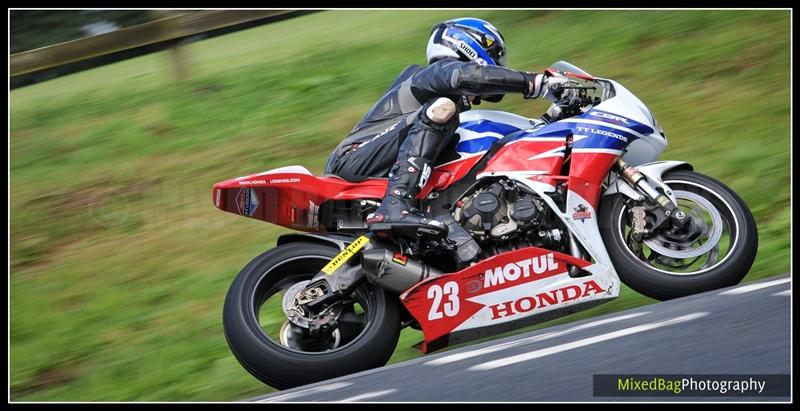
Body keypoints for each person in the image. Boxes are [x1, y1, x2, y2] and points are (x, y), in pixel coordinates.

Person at [324, 17, 576, 247]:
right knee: (443, 108)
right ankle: (396, 203)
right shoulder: (431, 75)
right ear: (467, 44)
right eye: (494, 55)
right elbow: (465, 76)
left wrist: (548, 122)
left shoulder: (449, 102)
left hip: (377, 164)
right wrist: (535, 83)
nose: (497, 64)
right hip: (355, 159)